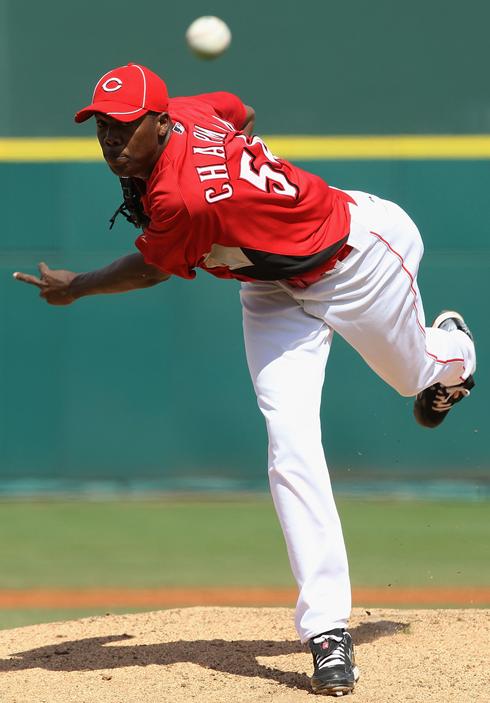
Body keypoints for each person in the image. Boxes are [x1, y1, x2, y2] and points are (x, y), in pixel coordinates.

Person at [14, 63, 476, 696]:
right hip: (269, 288)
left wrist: (78, 286)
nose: (111, 139)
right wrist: (247, 183)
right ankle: (327, 629)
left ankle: (454, 354)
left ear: (159, 121)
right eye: (102, 127)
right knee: (290, 442)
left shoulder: (184, 198)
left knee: (412, 376)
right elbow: (240, 110)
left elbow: (150, 270)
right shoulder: (189, 112)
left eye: (125, 126)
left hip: (357, 257)